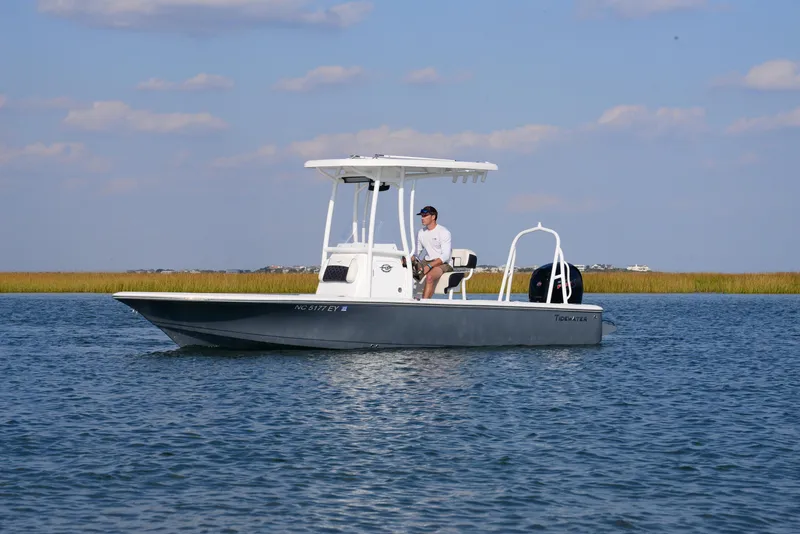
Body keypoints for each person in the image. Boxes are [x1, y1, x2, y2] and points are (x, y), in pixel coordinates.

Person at [412, 205, 453, 299]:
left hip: (444, 263)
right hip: (427, 261)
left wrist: (429, 266)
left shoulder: (444, 232)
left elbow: (445, 256)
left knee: (429, 277)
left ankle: (424, 304)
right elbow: (417, 252)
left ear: (433, 217)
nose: (422, 218)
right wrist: (408, 259)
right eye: (422, 216)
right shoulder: (421, 232)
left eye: (425, 216)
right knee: (406, 271)